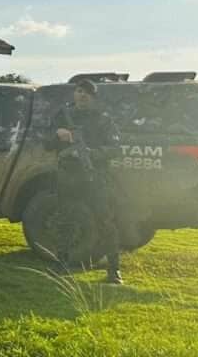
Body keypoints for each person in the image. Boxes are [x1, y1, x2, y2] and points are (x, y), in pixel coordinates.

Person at [53, 79, 123, 284]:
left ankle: (114, 269)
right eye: (79, 91)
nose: (82, 95)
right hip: (69, 175)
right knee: (65, 220)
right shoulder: (63, 116)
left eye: (87, 93)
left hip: (95, 176)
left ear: (93, 97)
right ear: (74, 94)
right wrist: (58, 135)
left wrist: (92, 153)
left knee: (105, 222)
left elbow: (115, 149)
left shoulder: (103, 119)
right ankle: (61, 264)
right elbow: (46, 143)